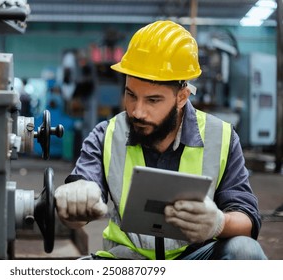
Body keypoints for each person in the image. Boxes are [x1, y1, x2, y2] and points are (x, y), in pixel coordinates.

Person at [54, 20, 267, 260]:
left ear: (182, 96)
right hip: (126, 263)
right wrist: (76, 201)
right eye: (131, 95)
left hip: (194, 260)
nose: (137, 111)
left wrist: (219, 223)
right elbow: (78, 212)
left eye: (153, 100)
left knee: (245, 251)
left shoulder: (221, 137)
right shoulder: (106, 135)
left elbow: (247, 219)